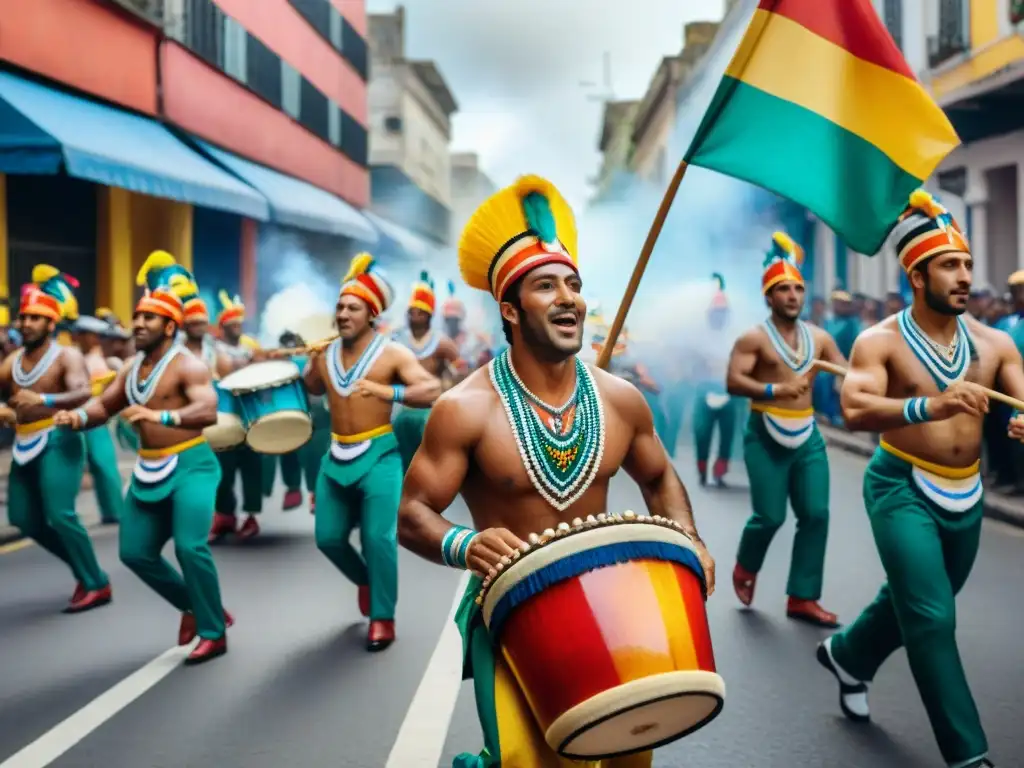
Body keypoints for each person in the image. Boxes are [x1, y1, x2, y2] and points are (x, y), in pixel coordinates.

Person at [396, 175, 715, 768]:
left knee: (626, 758)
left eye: (574, 284)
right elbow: (412, 516)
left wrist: (688, 537)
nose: (569, 298)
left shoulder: (620, 400)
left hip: (621, 606)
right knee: (527, 761)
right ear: (511, 310)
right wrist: (465, 543)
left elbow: (660, 477)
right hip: (514, 612)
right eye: (547, 286)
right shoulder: (464, 408)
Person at [817, 191, 1024, 768]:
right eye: (949, 266)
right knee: (932, 617)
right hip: (900, 485)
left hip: (968, 491)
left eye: (967, 265)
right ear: (916, 274)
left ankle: (849, 656)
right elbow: (855, 409)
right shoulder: (878, 340)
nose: (964, 277)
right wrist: (928, 407)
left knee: (915, 600)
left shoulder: (995, 343)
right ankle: (968, 754)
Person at [54, 286, 233, 665]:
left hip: (191, 466)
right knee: (134, 552)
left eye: (148, 318)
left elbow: (207, 411)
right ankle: (199, 605)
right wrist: (77, 418)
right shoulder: (133, 371)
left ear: (169, 327)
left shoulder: (189, 365)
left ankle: (213, 632)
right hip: (149, 467)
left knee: (189, 547)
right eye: (137, 317)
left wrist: (161, 416)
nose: (138, 324)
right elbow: (104, 405)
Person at [302, 252, 441, 651]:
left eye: (353, 307)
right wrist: (308, 366)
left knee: (379, 538)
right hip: (336, 457)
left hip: (380, 455)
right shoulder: (326, 353)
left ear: (371, 314)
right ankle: (366, 580)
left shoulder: (392, 353)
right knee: (328, 538)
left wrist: (387, 391)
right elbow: (313, 389)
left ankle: (382, 617)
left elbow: (429, 389)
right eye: (340, 306)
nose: (343, 313)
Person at [725, 231, 847, 628]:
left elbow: (849, 374)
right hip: (765, 432)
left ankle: (803, 597)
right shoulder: (753, 338)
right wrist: (776, 388)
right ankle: (747, 564)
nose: (793, 295)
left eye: (798, 288)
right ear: (768, 297)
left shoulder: (822, 338)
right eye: (783, 289)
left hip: (807, 434)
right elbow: (733, 381)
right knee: (770, 517)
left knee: (817, 513)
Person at [0, 283, 111, 612]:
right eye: (24, 317)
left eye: (36, 317)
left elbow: (82, 393)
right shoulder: (13, 361)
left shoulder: (67, 355)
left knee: (60, 514)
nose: (27, 323)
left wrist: (43, 399)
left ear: (51, 324)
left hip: (59, 438)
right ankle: (84, 569)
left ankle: (96, 583)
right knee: (23, 518)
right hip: (24, 441)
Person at [391, 270, 460, 473]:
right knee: (400, 458)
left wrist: (446, 388)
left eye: (420, 312)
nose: (415, 316)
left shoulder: (442, 343)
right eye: (411, 312)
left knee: (428, 461)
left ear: (429, 315)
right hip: (402, 408)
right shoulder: (397, 341)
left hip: (430, 410)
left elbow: (458, 372)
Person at [209, 289, 264, 540]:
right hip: (225, 416)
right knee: (223, 470)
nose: (237, 327)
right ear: (222, 326)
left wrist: (257, 361)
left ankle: (251, 517)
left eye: (239, 323)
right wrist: (250, 363)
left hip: (251, 415)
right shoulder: (214, 348)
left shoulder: (250, 344)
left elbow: (264, 367)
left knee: (253, 469)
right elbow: (227, 371)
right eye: (232, 324)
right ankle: (225, 515)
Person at [72, 314, 127, 525]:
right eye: (88, 335)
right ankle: (64, 511)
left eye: (95, 335)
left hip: (95, 419)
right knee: (71, 466)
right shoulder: (70, 356)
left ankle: (114, 510)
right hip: (72, 419)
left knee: (104, 464)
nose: (93, 339)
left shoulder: (102, 359)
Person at [690, 274, 740, 487]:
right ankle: (702, 471)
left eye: (722, 313)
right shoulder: (699, 335)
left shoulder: (735, 336)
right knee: (702, 433)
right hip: (704, 391)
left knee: (727, 436)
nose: (719, 317)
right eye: (716, 313)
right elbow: (692, 364)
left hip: (728, 392)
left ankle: (719, 472)